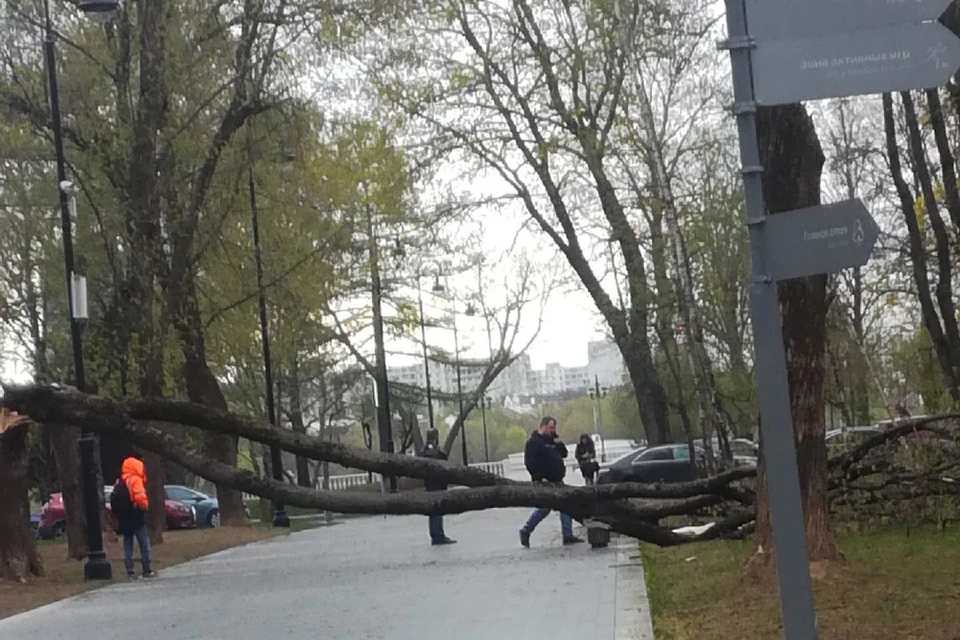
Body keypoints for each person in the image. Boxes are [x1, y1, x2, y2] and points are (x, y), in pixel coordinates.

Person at [519, 416, 583, 547]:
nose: (553, 430)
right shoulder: (534, 442)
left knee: (566, 505)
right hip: (544, 480)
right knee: (544, 508)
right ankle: (526, 530)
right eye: (551, 427)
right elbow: (529, 462)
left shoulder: (552, 441)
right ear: (543, 426)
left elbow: (564, 454)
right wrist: (538, 476)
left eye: (554, 428)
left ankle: (567, 534)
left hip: (557, 479)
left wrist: (558, 442)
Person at [111, 456, 154, 579]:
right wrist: (145, 507)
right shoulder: (135, 480)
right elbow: (140, 497)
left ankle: (129, 568)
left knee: (127, 542)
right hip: (136, 515)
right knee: (143, 542)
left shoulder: (120, 480)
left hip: (123, 517)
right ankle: (146, 568)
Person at [418, 429, 456, 546]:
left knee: (432, 510)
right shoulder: (439, 452)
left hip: (429, 483)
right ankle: (439, 535)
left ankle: (434, 534)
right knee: (438, 509)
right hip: (438, 483)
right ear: (436, 437)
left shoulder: (423, 451)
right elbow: (445, 464)